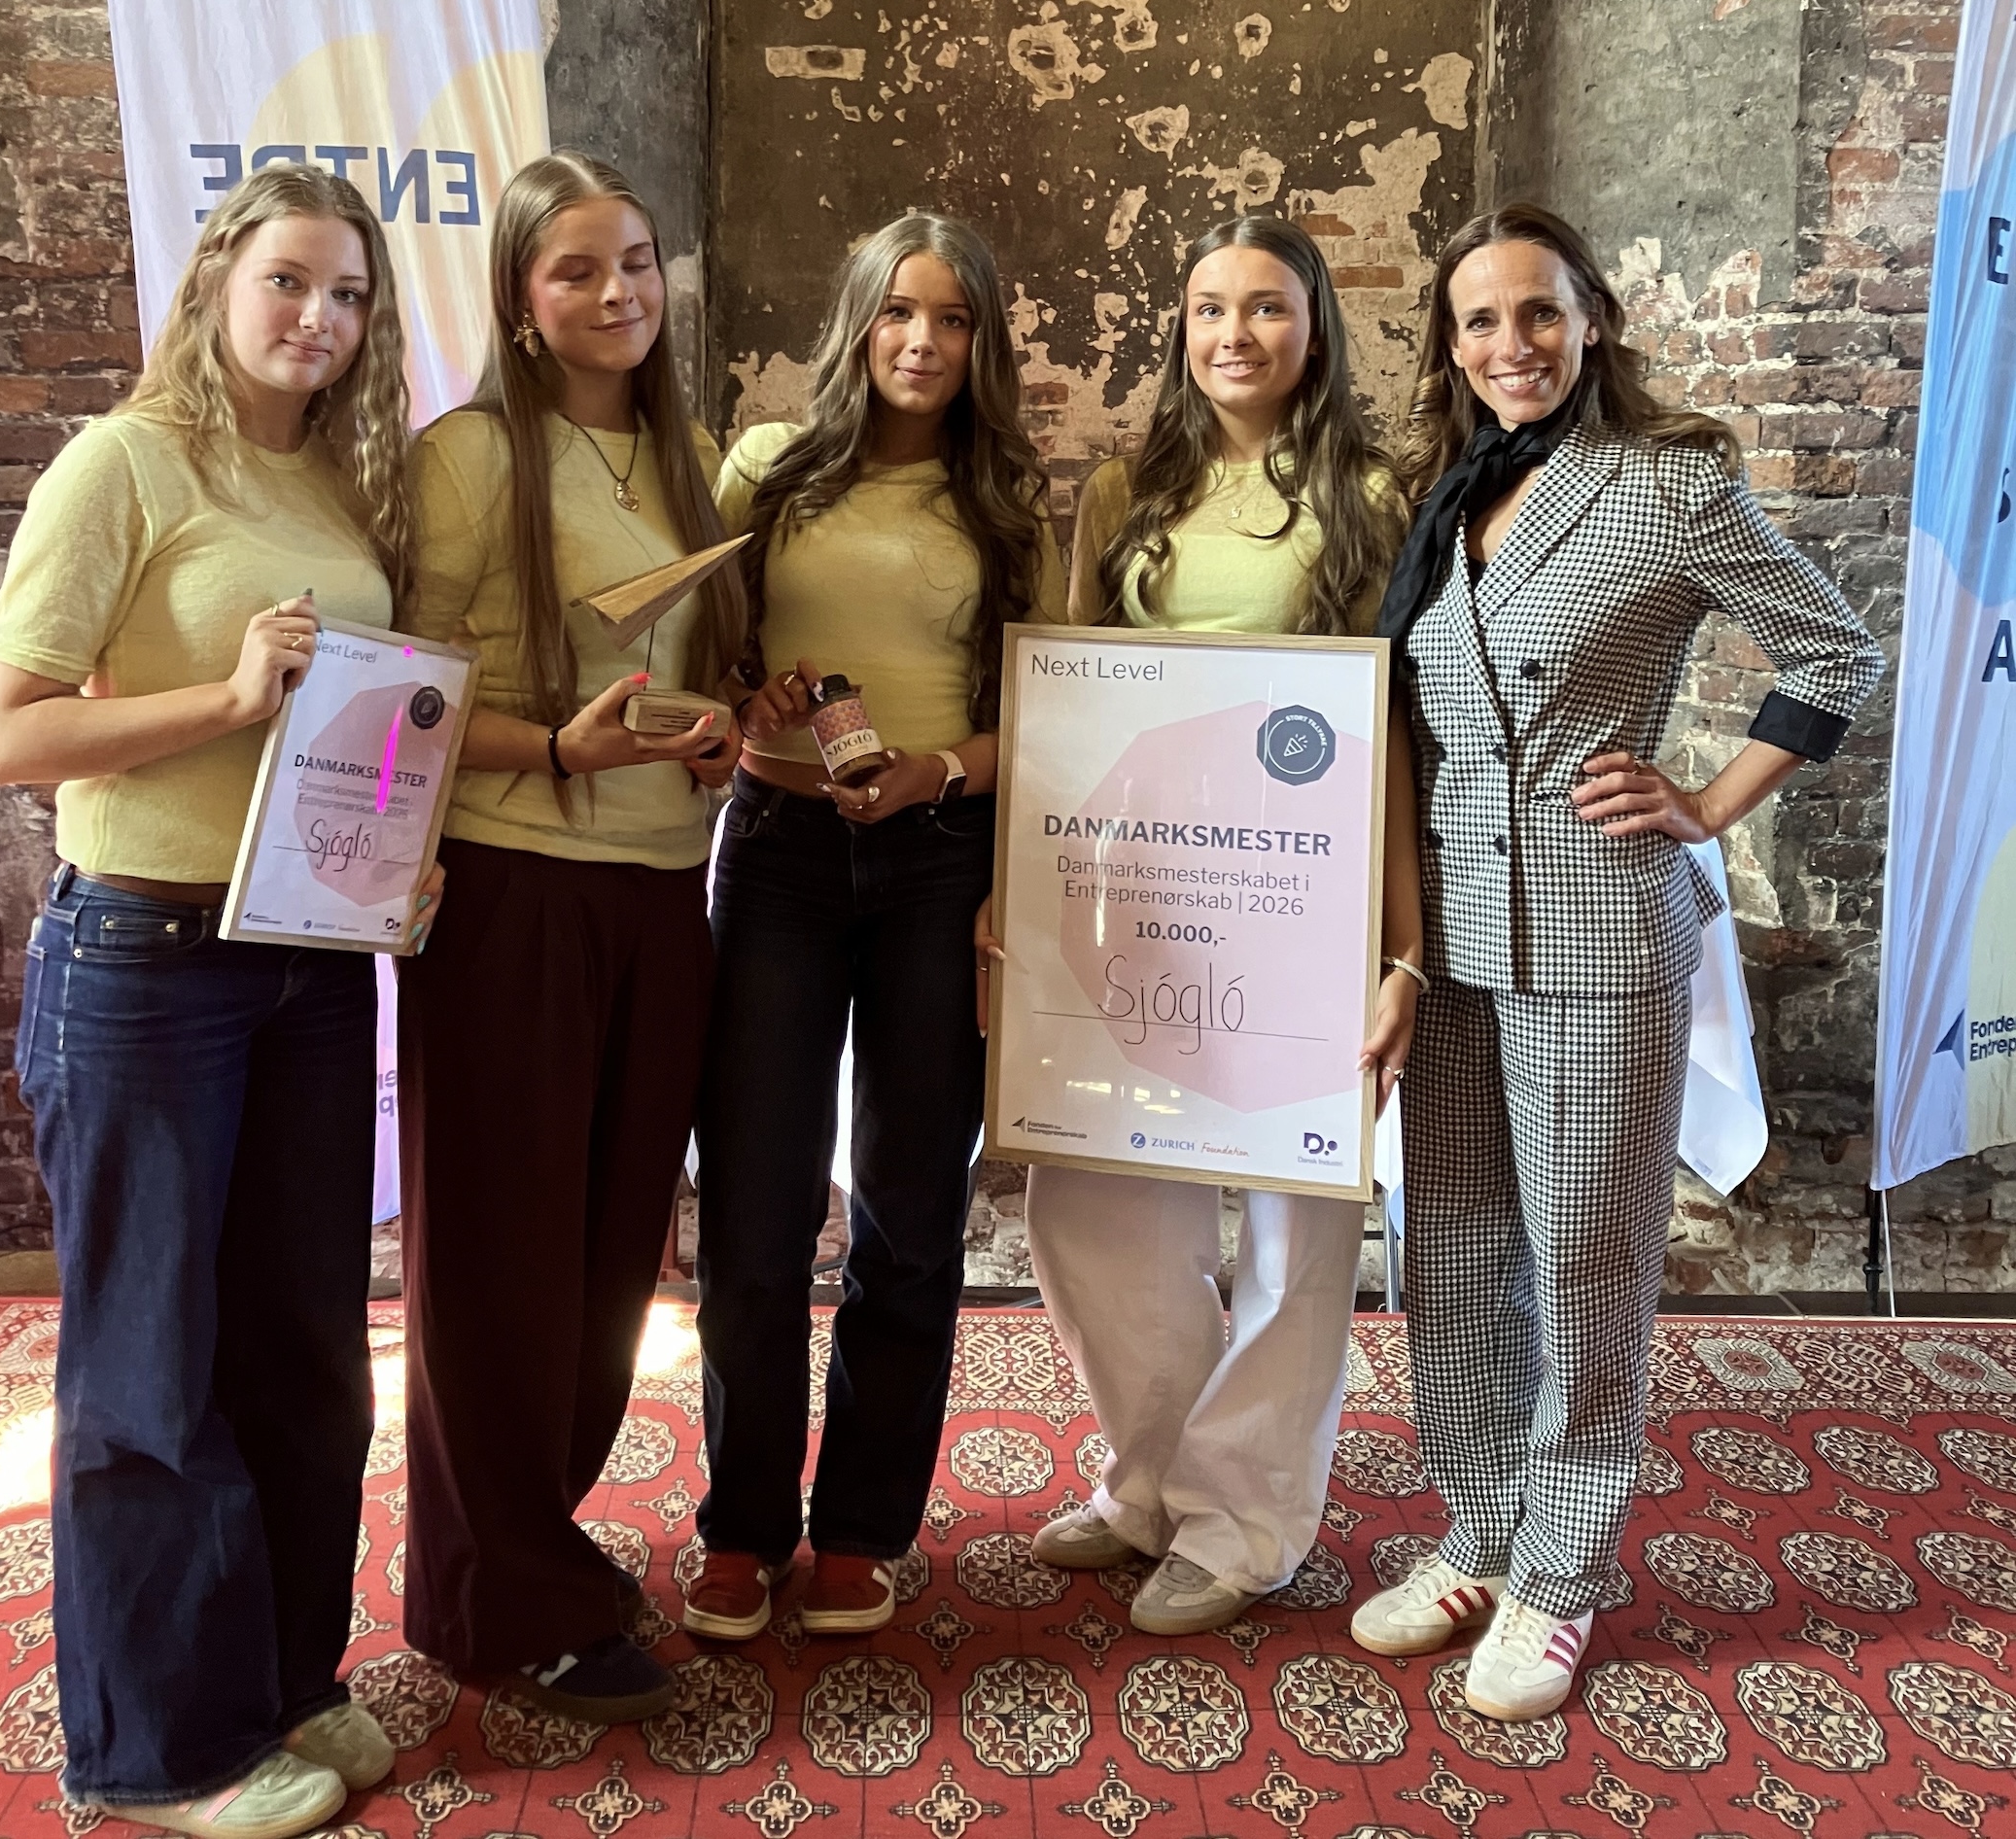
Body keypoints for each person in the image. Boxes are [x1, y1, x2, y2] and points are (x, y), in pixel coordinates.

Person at [1348, 202, 1884, 1719]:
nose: (1509, 343)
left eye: (1538, 311)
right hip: (1447, 931)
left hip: (1592, 924)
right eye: (1479, 320)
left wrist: (1703, 803)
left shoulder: (1664, 485)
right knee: (1452, 1248)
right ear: (1450, 345)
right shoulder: (1440, 495)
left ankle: (1562, 1571)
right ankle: (1479, 1528)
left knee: (1583, 1260)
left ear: (1591, 321)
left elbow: (1834, 649)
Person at [0, 165, 421, 1839]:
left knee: (305, 1352)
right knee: (150, 1368)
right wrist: (225, 696)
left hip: (307, 961)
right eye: (289, 280)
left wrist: (391, 866)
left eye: (349, 294)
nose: (319, 317)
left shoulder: (335, 485)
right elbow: (7, 734)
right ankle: (158, 1753)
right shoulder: (125, 460)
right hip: (146, 961)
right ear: (218, 279)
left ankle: (288, 1679)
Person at [973, 215, 1422, 1636]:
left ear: (1314, 325)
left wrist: (1400, 951)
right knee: (1089, 1198)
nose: (1236, 333)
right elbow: (1064, 700)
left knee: (1295, 1223)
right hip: (1139, 890)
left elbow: (1391, 729)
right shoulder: (1124, 487)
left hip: (1302, 896)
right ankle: (1152, 1479)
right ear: (1180, 327)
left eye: (1268, 306)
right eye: (1210, 306)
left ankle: (1245, 1524)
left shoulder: (1368, 492)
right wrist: (1016, 885)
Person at [396, 152, 747, 1720]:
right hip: (513, 888)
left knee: (609, 1258)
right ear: (521, 301)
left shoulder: (689, 455)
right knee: (499, 1259)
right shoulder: (472, 455)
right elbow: (397, 699)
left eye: (638, 263)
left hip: (664, 890)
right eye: (577, 270)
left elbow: (683, 677)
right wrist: (549, 749)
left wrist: (719, 735)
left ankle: (535, 1542)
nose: (618, 293)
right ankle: (493, 1601)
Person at [684, 213, 1065, 1641]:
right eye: (900, 311)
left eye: (954, 319)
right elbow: (702, 662)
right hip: (777, 854)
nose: (923, 341)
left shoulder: (1006, 499)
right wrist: (752, 702)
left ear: (982, 341)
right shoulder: (763, 470)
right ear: (856, 320)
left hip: (937, 860)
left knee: (908, 1208)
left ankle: (859, 1528)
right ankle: (741, 1526)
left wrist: (937, 773)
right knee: (757, 1205)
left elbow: (1045, 710)